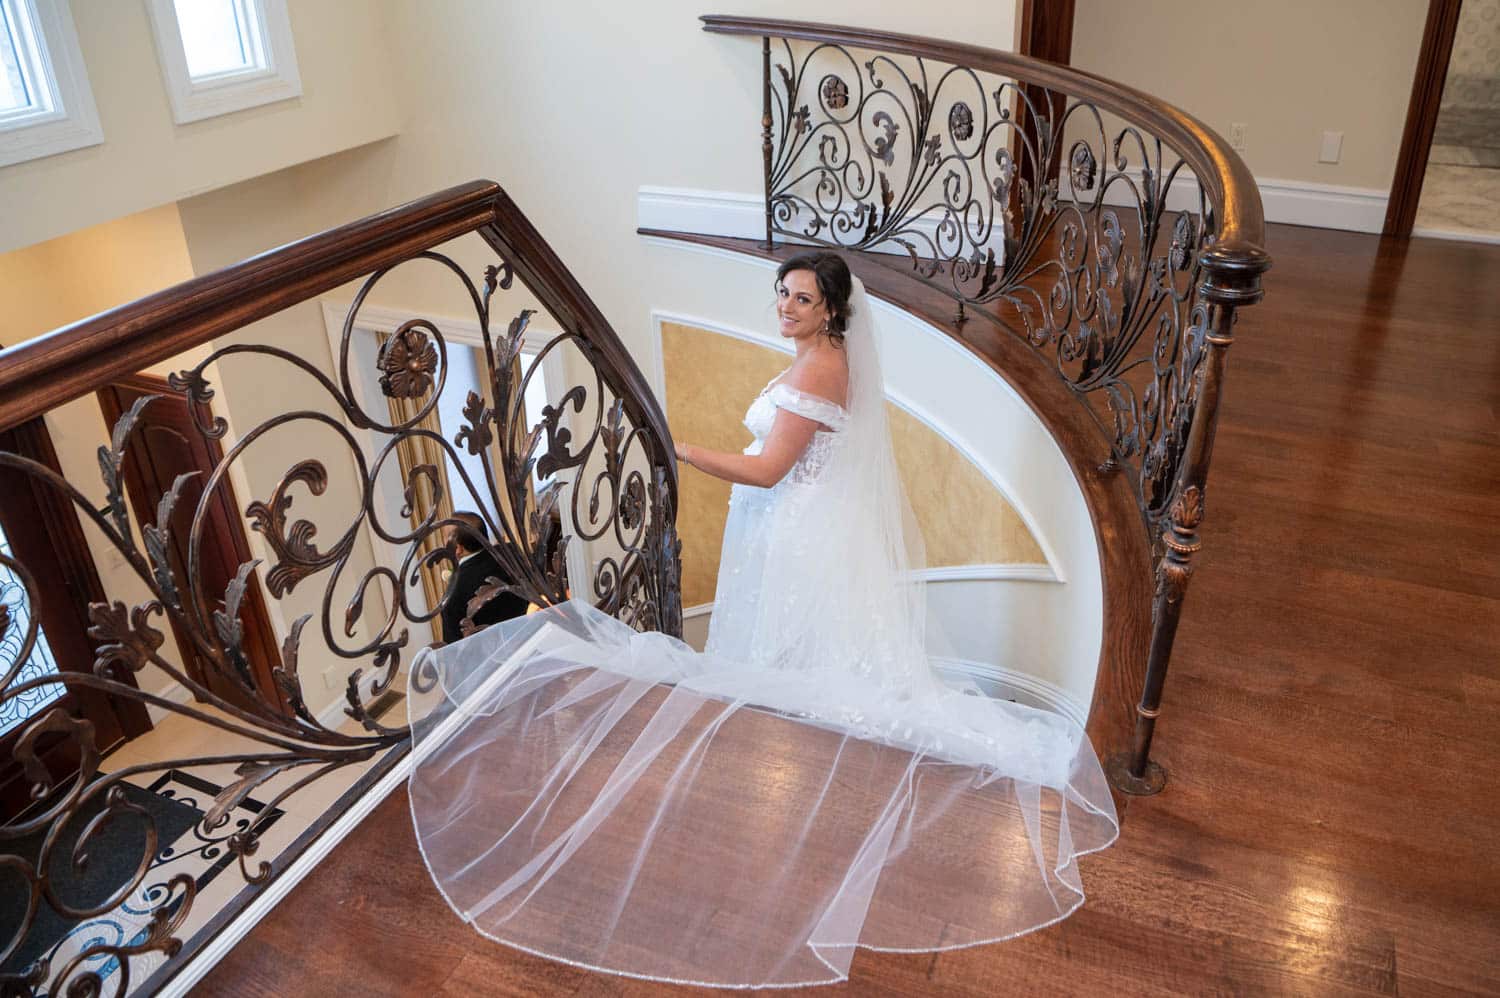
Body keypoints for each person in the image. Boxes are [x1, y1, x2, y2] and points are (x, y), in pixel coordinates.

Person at [406, 253, 1118, 989]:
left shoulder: (819, 369)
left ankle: (797, 764)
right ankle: (786, 743)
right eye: (782, 293)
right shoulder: (823, 356)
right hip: (801, 524)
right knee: (796, 657)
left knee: (800, 658)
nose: (785, 306)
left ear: (831, 309)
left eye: (802, 299)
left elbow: (770, 470)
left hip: (797, 531)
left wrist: (684, 450)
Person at [438, 511, 529, 644]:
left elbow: (453, 648)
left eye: (444, 537)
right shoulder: (511, 551)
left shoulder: (452, 595)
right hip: (528, 634)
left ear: (458, 548)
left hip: (495, 654)